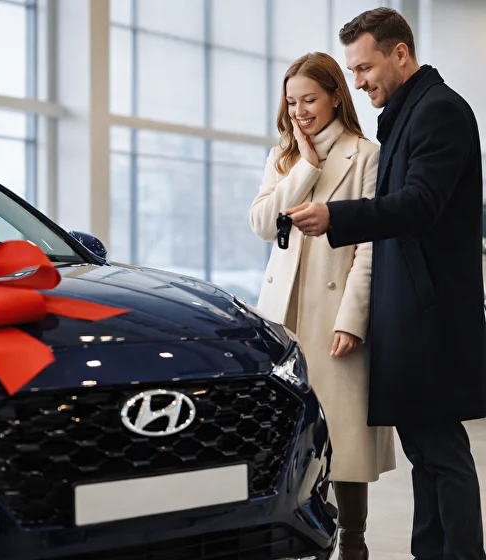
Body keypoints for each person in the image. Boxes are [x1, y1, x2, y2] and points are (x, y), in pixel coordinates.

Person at [290, 8, 486, 560]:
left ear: (400, 53)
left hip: (431, 318)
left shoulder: (439, 111)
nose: (358, 82)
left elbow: (420, 204)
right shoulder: (408, 114)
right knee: (426, 453)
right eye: (353, 70)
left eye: (364, 67)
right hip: (412, 315)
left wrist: (337, 217)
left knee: (441, 452)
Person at [249, 52, 395, 560]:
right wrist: (306, 167)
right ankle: (304, 540)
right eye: (292, 102)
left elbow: (371, 246)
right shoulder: (285, 155)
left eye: (309, 99)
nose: (300, 111)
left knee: (345, 439)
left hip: (335, 315)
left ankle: (354, 544)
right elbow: (263, 223)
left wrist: (353, 319)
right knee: (289, 436)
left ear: (336, 95)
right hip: (283, 315)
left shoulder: (367, 155)